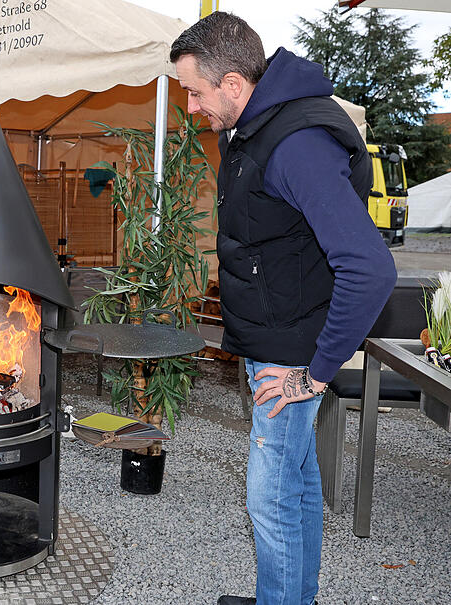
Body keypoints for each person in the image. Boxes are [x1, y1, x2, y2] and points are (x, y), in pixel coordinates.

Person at [170, 12, 396, 605]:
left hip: (292, 355)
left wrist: (315, 372)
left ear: (235, 86)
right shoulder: (251, 126)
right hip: (276, 337)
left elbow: (370, 268)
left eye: (194, 92)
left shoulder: (297, 145)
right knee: (294, 485)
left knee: (269, 497)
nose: (190, 108)